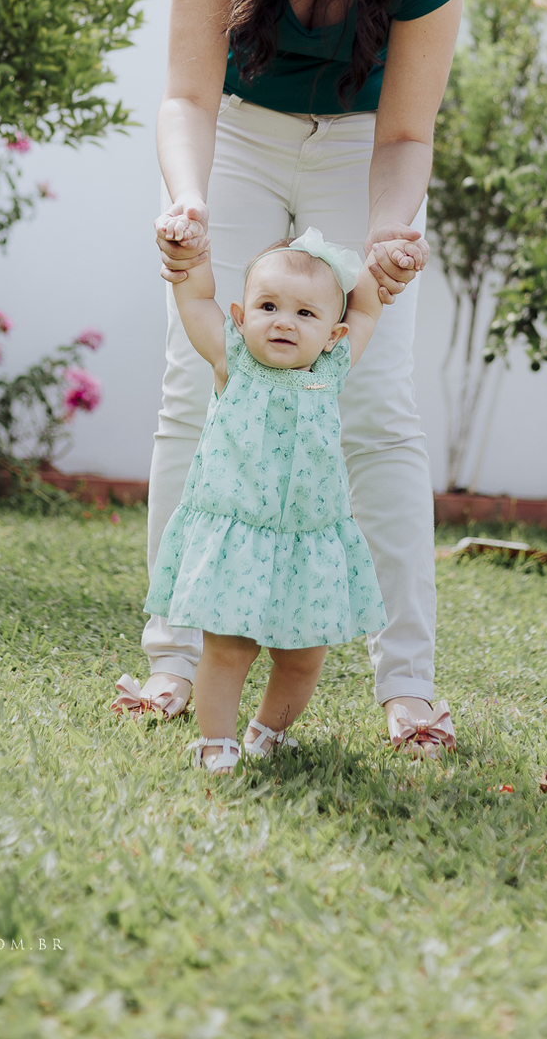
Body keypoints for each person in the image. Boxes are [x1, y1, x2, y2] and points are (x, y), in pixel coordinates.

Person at [115, 0, 464, 756]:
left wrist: (391, 237)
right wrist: (185, 200)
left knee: (375, 405)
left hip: (363, 150)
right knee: (196, 385)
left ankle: (409, 687)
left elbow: (406, 131)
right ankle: (172, 658)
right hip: (243, 136)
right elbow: (186, 93)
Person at [142, 228, 397, 773]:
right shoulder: (231, 361)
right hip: (239, 537)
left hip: (309, 541)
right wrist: (193, 255)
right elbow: (194, 297)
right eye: (268, 306)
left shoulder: (330, 370)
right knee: (230, 649)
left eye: (307, 314)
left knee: (304, 658)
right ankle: (217, 741)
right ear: (240, 316)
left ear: (334, 334)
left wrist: (385, 260)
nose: (284, 321)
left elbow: (370, 311)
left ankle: (268, 731)